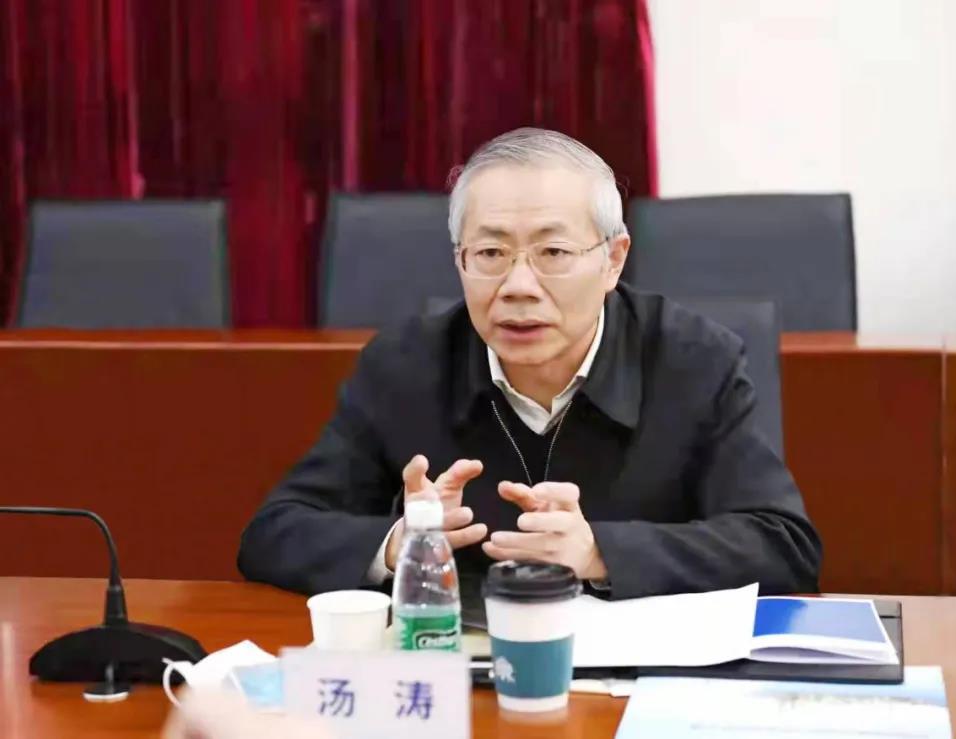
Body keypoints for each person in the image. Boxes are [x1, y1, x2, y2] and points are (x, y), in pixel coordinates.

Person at [238, 128, 821, 601]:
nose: (519, 285)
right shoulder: (404, 366)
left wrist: (599, 553)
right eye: (491, 252)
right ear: (460, 261)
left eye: (554, 252)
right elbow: (274, 532)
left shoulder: (694, 360)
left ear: (613, 260)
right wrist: (401, 542)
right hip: (468, 672)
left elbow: (783, 545)